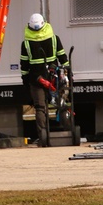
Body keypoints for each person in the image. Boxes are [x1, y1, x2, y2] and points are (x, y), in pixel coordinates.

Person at [20, 13, 69, 147]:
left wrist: (26, 81)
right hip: (54, 78)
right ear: (44, 24)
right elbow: (63, 57)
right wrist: (67, 72)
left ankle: (43, 138)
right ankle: (68, 131)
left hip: (36, 79)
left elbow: (24, 66)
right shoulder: (54, 39)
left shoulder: (26, 44)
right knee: (62, 104)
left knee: (41, 108)